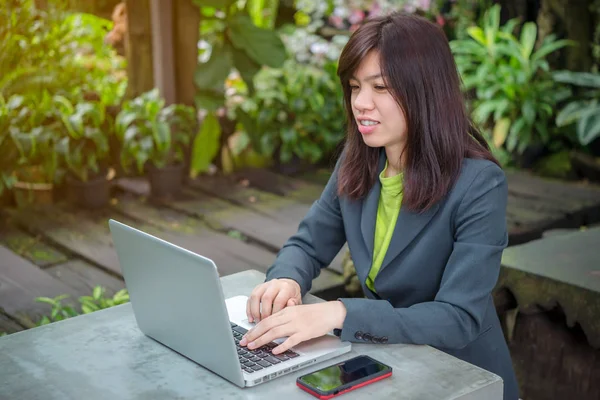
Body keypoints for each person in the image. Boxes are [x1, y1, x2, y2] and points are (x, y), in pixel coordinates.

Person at [239, 12, 519, 400]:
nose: (361, 103)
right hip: (385, 362)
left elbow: (458, 318)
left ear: (426, 91)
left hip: (462, 375)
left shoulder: (479, 184)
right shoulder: (359, 163)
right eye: (355, 87)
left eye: (381, 87)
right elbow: (306, 245)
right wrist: (285, 280)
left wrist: (339, 313)